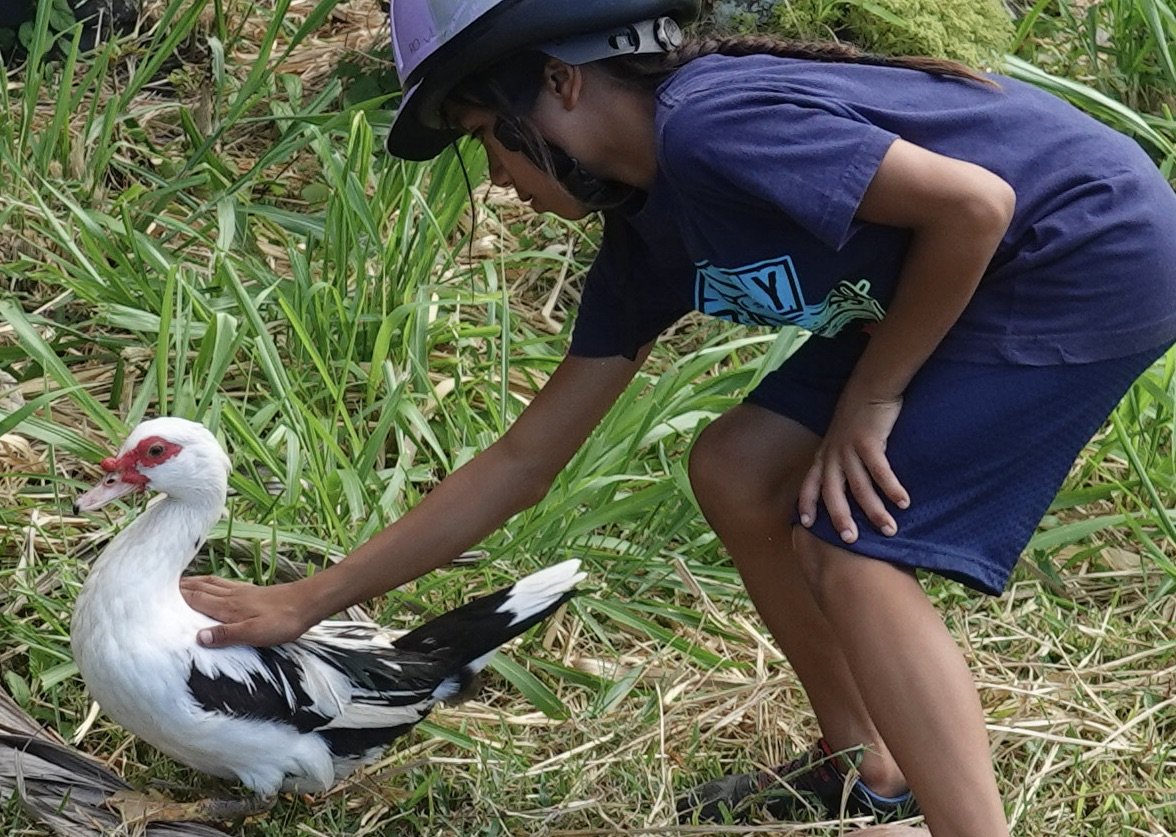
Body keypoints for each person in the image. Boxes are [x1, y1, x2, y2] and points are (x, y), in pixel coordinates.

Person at [179, 1, 1176, 834]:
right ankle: (869, 772)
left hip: (1082, 255)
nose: (493, 179)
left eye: (488, 135)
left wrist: (872, 401)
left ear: (562, 83)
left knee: (853, 544)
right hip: (968, 276)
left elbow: (976, 205)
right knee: (739, 467)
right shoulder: (649, 228)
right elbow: (525, 459)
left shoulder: (715, 123)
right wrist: (314, 598)